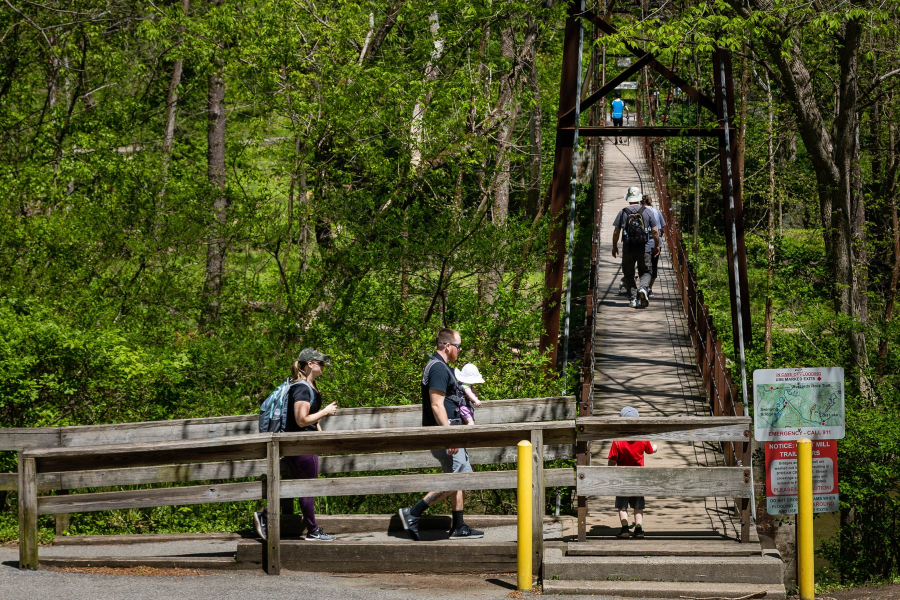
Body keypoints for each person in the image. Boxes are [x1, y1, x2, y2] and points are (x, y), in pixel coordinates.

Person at [398, 329, 484, 541]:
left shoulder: (441, 367)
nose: (460, 350)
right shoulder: (437, 368)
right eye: (459, 346)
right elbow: (437, 405)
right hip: (444, 432)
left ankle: (458, 525)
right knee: (460, 475)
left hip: (450, 430)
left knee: (457, 475)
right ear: (448, 346)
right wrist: (449, 436)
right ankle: (413, 512)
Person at [253, 348, 337, 542]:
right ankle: (313, 530)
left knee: (297, 487)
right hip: (301, 446)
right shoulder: (301, 388)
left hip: (301, 445)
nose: (324, 366)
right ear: (310, 364)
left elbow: (306, 419)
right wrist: (325, 412)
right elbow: (301, 420)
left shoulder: (306, 386)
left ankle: (265, 516)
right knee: (308, 488)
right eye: (321, 362)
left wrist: (318, 427)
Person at [607, 406, 658, 539]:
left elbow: (612, 460)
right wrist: (655, 448)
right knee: (638, 505)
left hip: (622, 478)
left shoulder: (617, 441)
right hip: (638, 477)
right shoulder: (642, 438)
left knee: (622, 506)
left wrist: (609, 470)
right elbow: (650, 450)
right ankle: (639, 528)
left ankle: (624, 528)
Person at [612, 186, 660, 308]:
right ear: (639, 198)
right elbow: (655, 231)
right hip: (644, 247)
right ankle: (643, 289)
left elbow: (616, 232)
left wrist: (614, 246)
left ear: (628, 199)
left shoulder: (623, 212)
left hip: (628, 248)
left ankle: (633, 299)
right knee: (646, 271)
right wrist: (657, 245)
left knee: (628, 273)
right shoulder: (647, 211)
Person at [642, 195, 666, 298]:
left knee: (642, 265)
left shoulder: (639, 212)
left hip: (643, 242)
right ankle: (649, 289)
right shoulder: (657, 212)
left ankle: (641, 287)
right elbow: (662, 228)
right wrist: (659, 239)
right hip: (656, 242)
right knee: (654, 265)